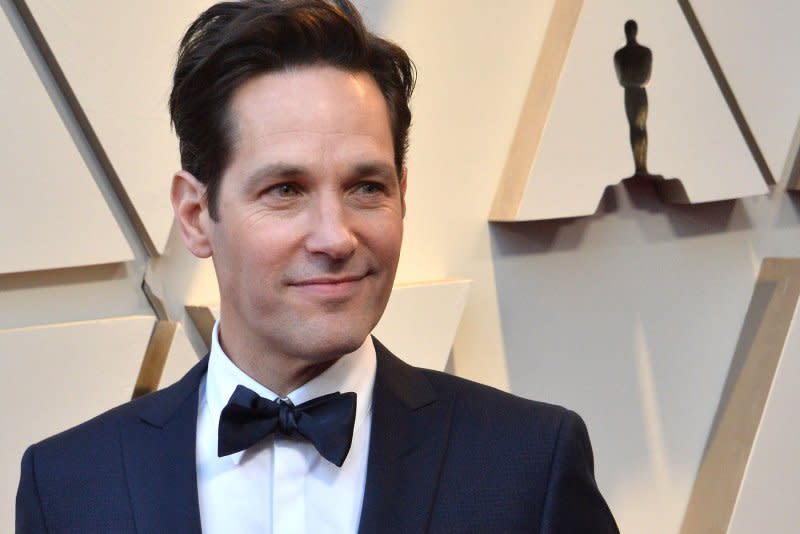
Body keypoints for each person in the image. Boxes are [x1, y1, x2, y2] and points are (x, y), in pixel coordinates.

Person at [16, 1, 619, 532]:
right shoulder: (68, 486)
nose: (335, 237)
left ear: (402, 195)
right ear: (197, 215)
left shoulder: (529, 465)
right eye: (285, 189)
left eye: (366, 187)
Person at [614, 19, 653, 177]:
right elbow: (622, 79)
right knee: (634, 127)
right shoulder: (620, 54)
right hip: (630, 92)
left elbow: (646, 78)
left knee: (640, 127)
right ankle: (639, 167)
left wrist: (633, 77)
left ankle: (642, 166)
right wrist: (634, 77)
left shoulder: (645, 52)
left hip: (638, 92)